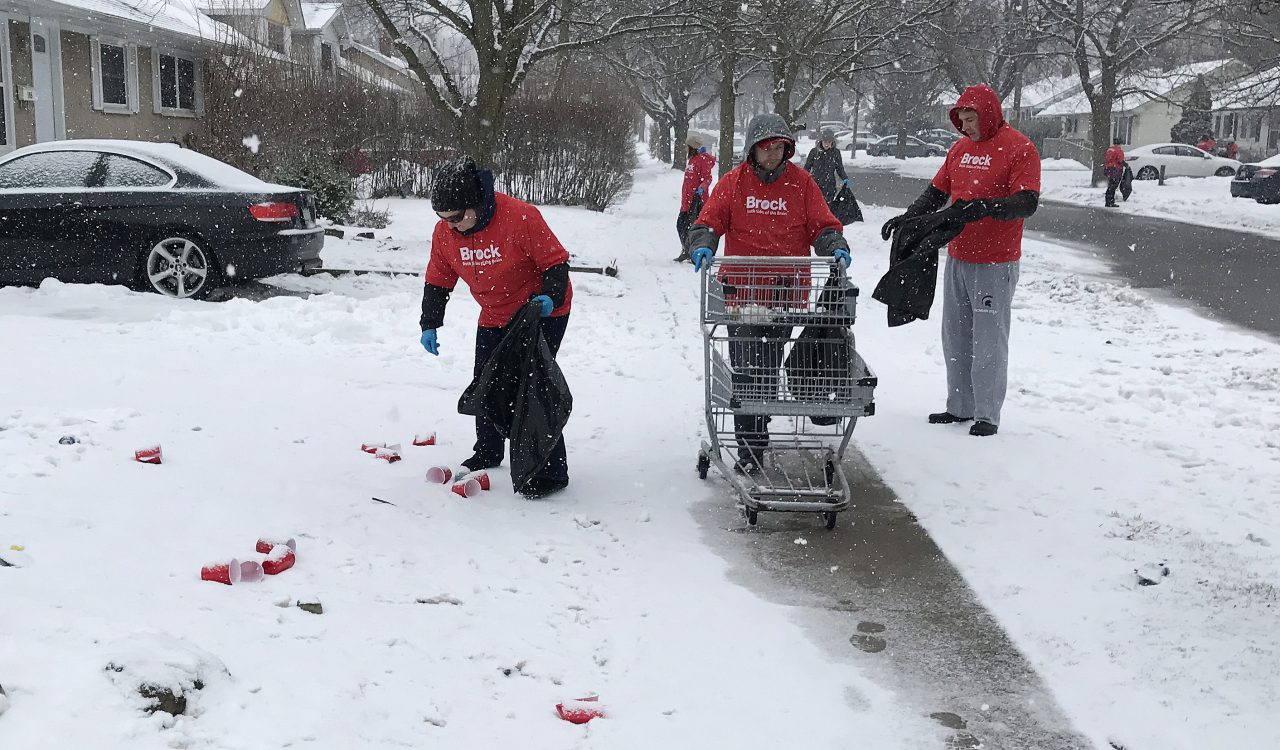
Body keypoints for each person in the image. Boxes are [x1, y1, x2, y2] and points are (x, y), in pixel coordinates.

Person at [685, 113, 852, 472]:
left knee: (767, 366)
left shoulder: (802, 184)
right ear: (753, 149)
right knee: (748, 369)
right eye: (767, 148)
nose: (774, 155)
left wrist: (834, 243)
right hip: (741, 294)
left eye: (780, 148)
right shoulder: (734, 182)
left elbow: (822, 224)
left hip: (785, 294)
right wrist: (702, 242)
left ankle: (756, 436)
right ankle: (751, 448)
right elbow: (709, 219)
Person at [880, 84, 1040, 437]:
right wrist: (908, 217)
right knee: (955, 336)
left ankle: (987, 414)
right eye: (962, 120)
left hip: (996, 262)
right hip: (957, 253)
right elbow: (936, 192)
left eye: (971, 120)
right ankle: (959, 406)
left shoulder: (1020, 148)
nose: (965, 127)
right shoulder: (959, 149)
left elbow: (1027, 201)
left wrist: (989, 207)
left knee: (988, 339)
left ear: (988, 115)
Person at [419, 156, 573, 498]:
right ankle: (487, 451)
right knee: (487, 380)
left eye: (457, 217)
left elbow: (556, 263)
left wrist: (549, 296)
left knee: (530, 384)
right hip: (495, 312)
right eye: (443, 220)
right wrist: (430, 322)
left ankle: (547, 472)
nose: (451, 226)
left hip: (540, 311)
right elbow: (439, 277)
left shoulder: (521, 218)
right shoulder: (446, 233)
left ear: (476, 202)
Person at [674, 134, 716, 262]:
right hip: (687, 201)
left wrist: (702, 187)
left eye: (688, 146)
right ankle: (687, 249)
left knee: (692, 227)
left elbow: (708, 178)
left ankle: (692, 251)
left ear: (692, 147)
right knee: (681, 225)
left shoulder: (702, 160)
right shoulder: (692, 160)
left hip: (697, 201)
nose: (686, 149)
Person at [803, 127, 850, 204]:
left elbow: (840, 169)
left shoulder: (836, 153)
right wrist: (803, 180)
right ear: (821, 141)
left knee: (827, 209)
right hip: (815, 185)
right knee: (815, 207)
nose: (827, 144)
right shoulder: (814, 152)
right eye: (825, 141)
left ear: (832, 142)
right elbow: (806, 168)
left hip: (829, 187)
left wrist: (845, 179)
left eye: (829, 141)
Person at [1104, 138, 1126, 208]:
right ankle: (1111, 201)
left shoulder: (1109, 150)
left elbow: (1107, 159)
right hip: (1115, 169)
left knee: (1110, 185)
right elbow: (1120, 160)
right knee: (1113, 186)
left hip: (1108, 169)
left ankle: (1108, 201)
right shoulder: (1119, 150)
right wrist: (1126, 165)